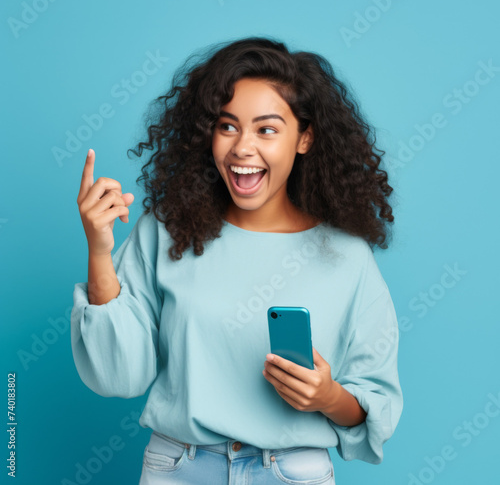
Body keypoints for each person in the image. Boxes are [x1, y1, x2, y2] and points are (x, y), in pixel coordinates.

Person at [71, 36, 403, 484]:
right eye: (227, 126)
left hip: (292, 473)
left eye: (266, 129)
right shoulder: (168, 231)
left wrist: (326, 397)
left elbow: (374, 402)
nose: (242, 148)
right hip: (178, 470)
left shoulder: (347, 256)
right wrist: (99, 250)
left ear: (304, 138)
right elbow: (118, 377)